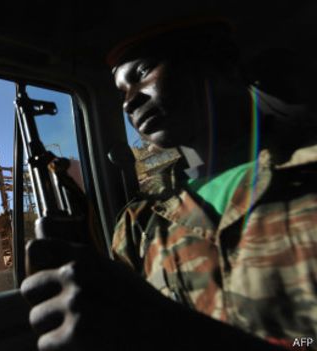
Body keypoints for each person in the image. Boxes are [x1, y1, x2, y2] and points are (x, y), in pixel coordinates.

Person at [21, 18, 317, 351]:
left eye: (143, 72)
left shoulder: (306, 171)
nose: (128, 102)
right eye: (121, 92)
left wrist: (169, 329)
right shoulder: (139, 222)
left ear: (220, 63)